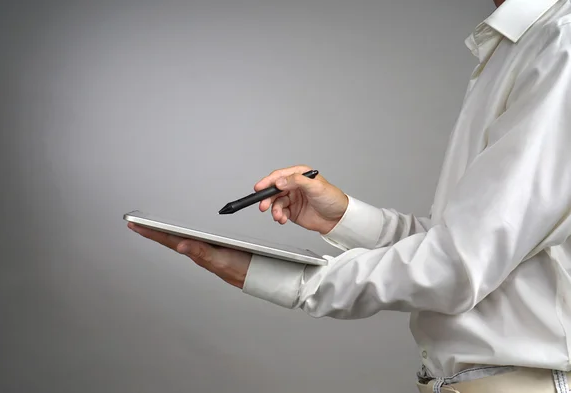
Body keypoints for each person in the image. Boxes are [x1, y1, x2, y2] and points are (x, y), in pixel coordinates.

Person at [128, 0, 571, 392]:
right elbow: (464, 245)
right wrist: (341, 217)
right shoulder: (521, 42)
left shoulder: (561, 45)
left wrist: (286, 278)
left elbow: (460, 264)